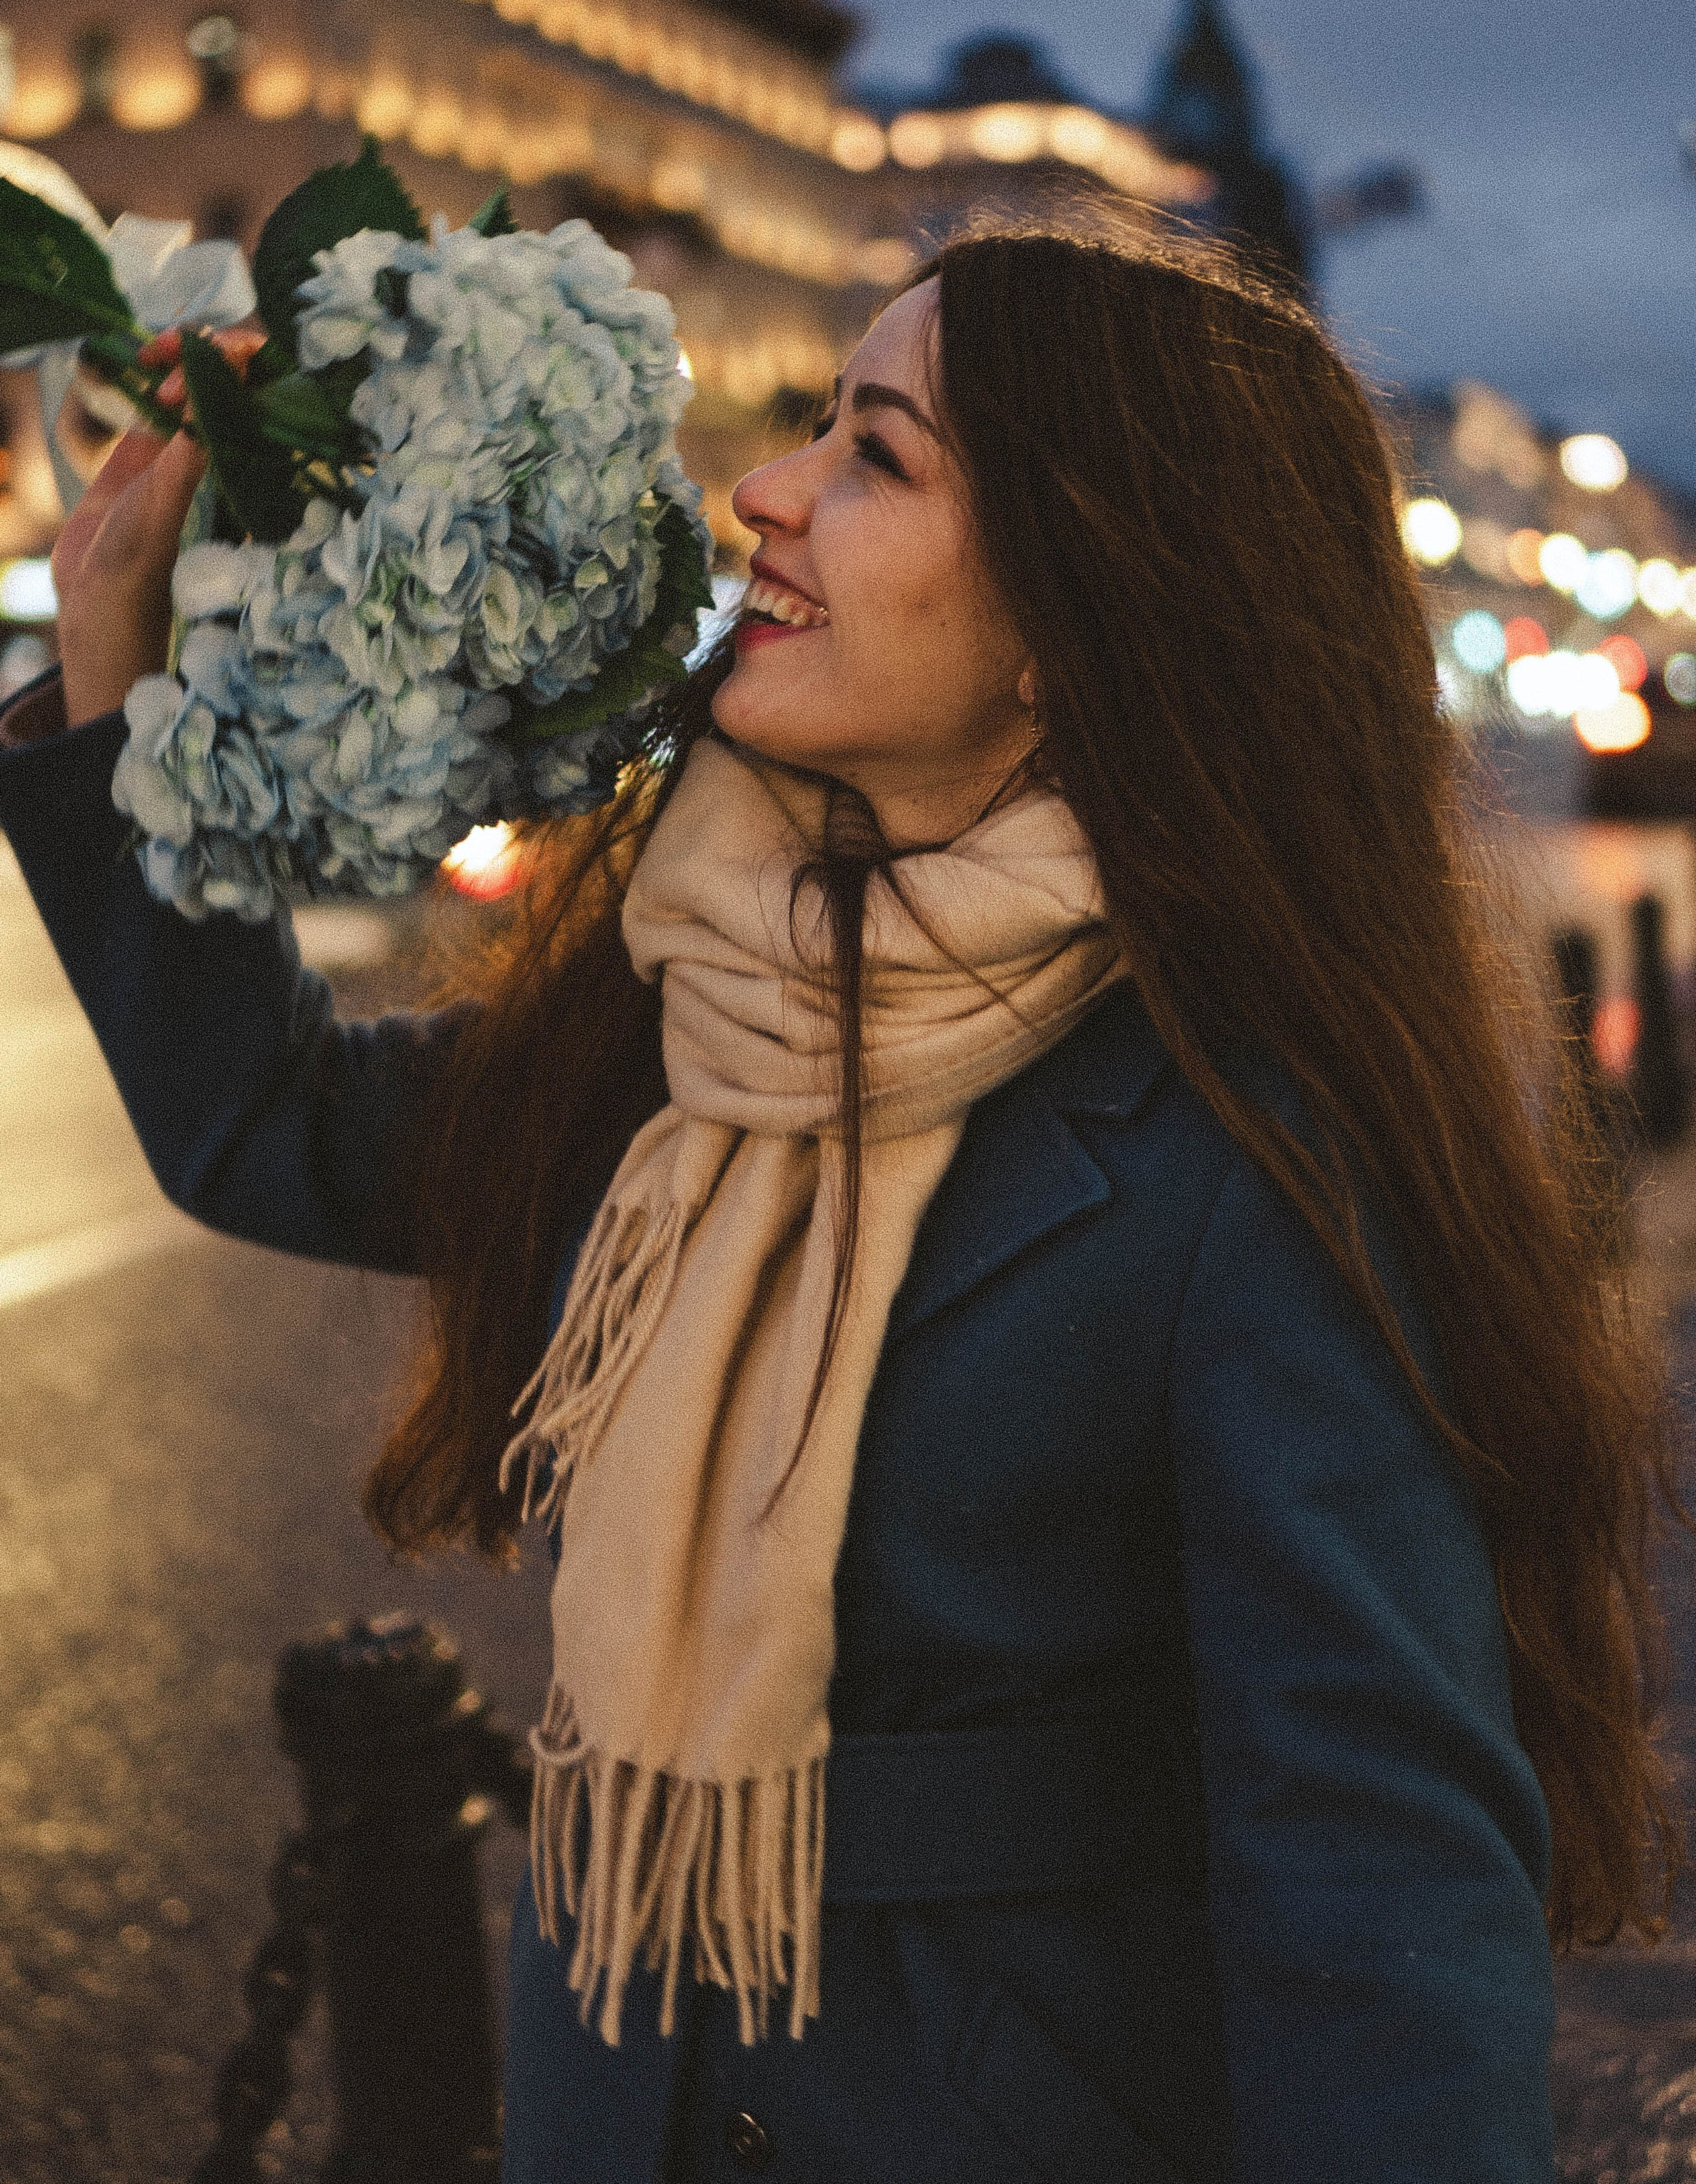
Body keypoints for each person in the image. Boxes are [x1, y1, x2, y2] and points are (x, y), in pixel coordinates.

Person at [0, 224, 1681, 2184]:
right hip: (620, 2106)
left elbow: (1375, 1890)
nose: (763, 493)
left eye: (875, 454)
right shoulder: (699, 1001)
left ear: (1075, 611)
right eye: (817, 427)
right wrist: (109, 673)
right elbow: (268, 1124)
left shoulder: (1249, 1158)